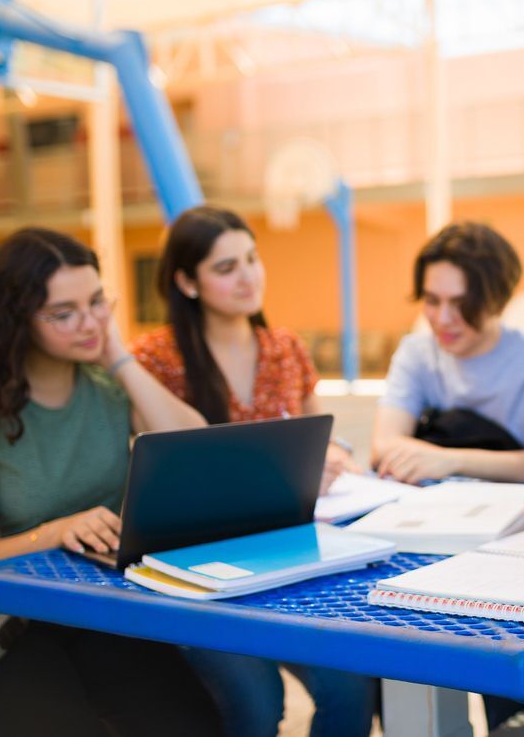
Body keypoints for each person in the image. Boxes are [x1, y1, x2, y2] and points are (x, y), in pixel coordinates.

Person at [0, 228, 220, 737]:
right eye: (64, 313)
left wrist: (119, 359)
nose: (90, 322)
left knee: (193, 724)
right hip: (10, 622)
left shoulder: (107, 388)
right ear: (14, 320)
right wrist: (55, 531)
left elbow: (197, 451)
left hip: (104, 606)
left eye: (98, 302)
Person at [132, 206, 374, 737]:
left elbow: (320, 441)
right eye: (226, 268)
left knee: (350, 687)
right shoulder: (154, 359)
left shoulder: (285, 349)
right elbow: (156, 461)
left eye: (251, 259)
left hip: (288, 555)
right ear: (186, 281)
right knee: (257, 705)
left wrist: (331, 457)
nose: (248, 276)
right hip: (192, 567)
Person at [372, 221, 524, 485]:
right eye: (432, 301)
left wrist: (449, 460)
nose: (443, 318)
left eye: (461, 304)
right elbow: (383, 447)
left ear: (498, 300)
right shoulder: (416, 353)